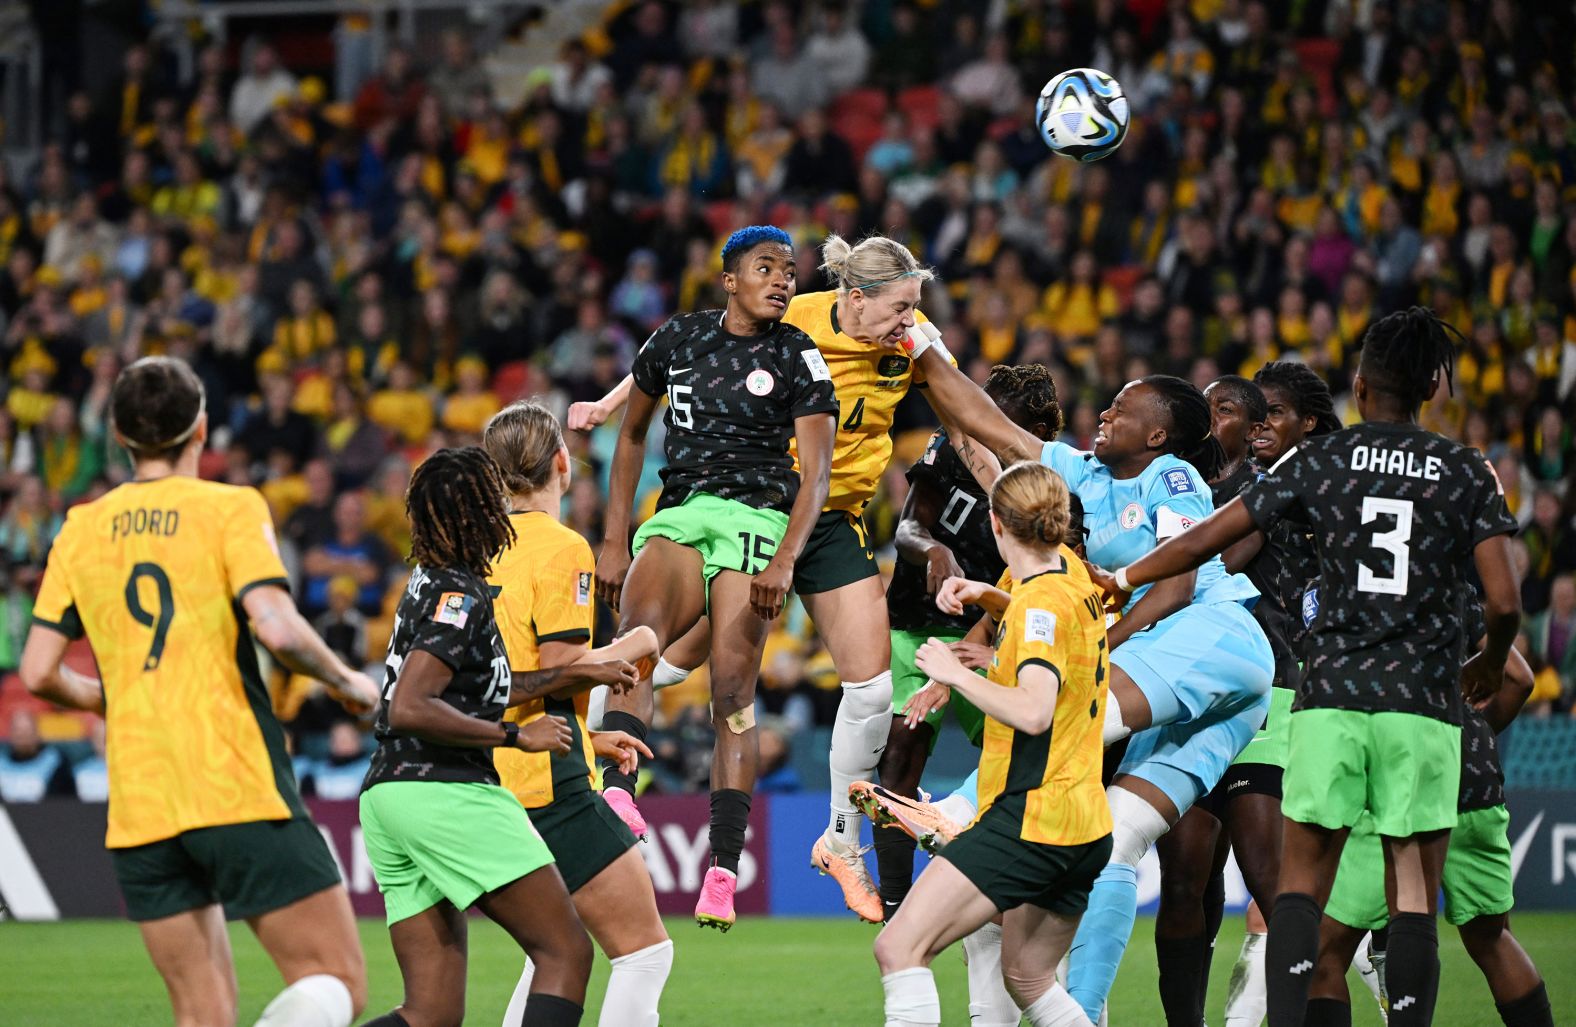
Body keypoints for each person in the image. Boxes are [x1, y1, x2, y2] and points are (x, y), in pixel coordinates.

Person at [1107, 308, 1522, 1027]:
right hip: (1423, 705)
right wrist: (1484, 664)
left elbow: (1212, 537)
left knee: (1297, 887)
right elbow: (1505, 600)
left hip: (1327, 697)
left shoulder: (1321, 461)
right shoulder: (1464, 469)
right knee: (1412, 888)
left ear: (1359, 385)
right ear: (1430, 384)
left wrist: (1125, 577)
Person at [573, 233, 972, 923]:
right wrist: (610, 407)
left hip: (826, 517)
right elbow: (671, 360)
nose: (911, 320)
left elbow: (965, 420)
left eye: (915, 308)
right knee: (665, 665)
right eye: (902, 307)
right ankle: (593, 762)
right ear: (855, 298)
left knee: (871, 688)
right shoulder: (800, 320)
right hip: (750, 506)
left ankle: (840, 842)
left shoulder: (915, 342)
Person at [20, 356, 380, 1027]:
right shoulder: (230, 507)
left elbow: (38, 670)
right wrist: (350, 679)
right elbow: (275, 626)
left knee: (202, 1015)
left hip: (139, 803)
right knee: (334, 980)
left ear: (121, 438)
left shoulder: (79, 528)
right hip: (233, 781)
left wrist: (109, 697)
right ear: (202, 429)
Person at [913, 359, 1276, 1023]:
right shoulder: (1080, 471)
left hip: (1214, 640)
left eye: (1122, 408)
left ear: (1158, 435)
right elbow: (983, 421)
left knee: (1060, 721)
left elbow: (1177, 586)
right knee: (1112, 842)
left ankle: (958, 811)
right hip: (1203, 689)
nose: (1104, 415)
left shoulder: (1173, 478)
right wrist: (921, 342)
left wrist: (1096, 653)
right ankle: (1083, 1012)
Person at [592, 225, 839, 930]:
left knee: (731, 688)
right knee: (635, 642)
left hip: (757, 517)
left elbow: (816, 470)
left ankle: (723, 867)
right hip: (682, 511)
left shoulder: (798, 353)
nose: (783, 280)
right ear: (729, 278)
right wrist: (614, 539)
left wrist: (786, 555)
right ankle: (618, 789)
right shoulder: (675, 340)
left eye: (790, 271)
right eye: (767, 268)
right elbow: (633, 434)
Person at [357, 446, 638, 1027]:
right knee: (565, 952)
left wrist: (571, 673)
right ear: (479, 513)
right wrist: (514, 736)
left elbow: (474, 685)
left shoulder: (424, 583)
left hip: (390, 794)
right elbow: (410, 703)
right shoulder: (459, 595)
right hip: (447, 790)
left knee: (429, 1012)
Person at [871, 460, 1112, 1027]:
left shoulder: (1036, 608)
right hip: (1084, 822)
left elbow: (1033, 710)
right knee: (1028, 976)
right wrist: (989, 596)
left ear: (996, 526)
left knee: (899, 948)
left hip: (1032, 818)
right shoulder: (1072, 579)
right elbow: (1050, 624)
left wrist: (955, 675)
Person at [481, 401, 674, 1027]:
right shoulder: (562, 547)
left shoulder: (479, 547)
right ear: (563, 463)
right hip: (548, 785)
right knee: (644, 952)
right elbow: (566, 666)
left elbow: (507, 674)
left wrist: (589, 735)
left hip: (489, 768)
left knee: (552, 953)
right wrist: (639, 642)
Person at [1310, 586, 1554, 1027]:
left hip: (1396, 777)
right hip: (1472, 778)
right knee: (1492, 938)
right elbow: (1519, 678)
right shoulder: (1448, 584)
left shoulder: (1340, 582)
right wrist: (1470, 740)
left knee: (1322, 949)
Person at [872, 363, 1063, 923]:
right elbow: (908, 527)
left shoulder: (1045, 482)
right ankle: (895, 905)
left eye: (995, 413)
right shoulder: (950, 450)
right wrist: (933, 549)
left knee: (1012, 757)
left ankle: (1011, 883)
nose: (978, 421)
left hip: (996, 631)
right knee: (901, 754)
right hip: (914, 623)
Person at [1208, 364, 1342, 1027]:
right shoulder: (1330, 485)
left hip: (1281, 693)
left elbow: (1222, 560)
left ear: (1308, 422)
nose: (1258, 423)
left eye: (1273, 412)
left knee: (1276, 888)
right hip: (1300, 691)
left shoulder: (1282, 489)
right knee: (1288, 886)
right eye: (1251, 412)